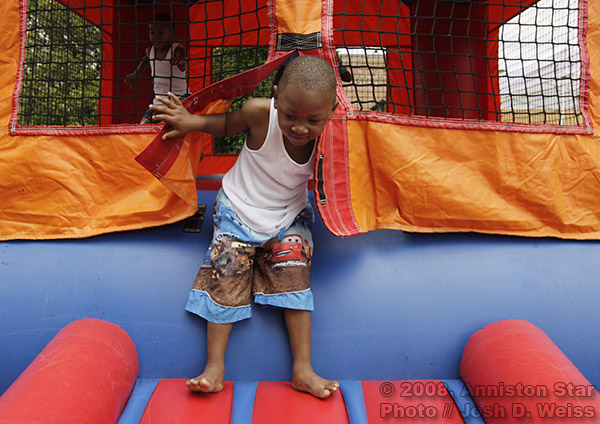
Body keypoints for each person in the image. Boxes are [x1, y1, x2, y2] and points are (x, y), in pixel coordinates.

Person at [150, 55, 340, 398]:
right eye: (290, 115)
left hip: (288, 215)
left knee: (294, 272)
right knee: (227, 271)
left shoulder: (333, 135)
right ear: (276, 97)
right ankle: (214, 366)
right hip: (238, 209)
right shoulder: (259, 114)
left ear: (331, 110)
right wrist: (190, 121)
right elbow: (224, 124)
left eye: (313, 119)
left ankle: (302, 368)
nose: (300, 127)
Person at [125, 13, 189, 124]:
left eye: (161, 33)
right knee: (143, 126)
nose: (156, 37)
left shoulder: (176, 49)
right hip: (159, 102)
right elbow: (147, 59)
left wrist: (179, 62)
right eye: (152, 33)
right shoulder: (150, 51)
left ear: (172, 33)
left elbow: (183, 63)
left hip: (179, 100)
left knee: (169, 127)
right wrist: (137, 73)